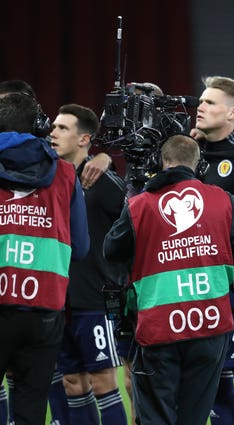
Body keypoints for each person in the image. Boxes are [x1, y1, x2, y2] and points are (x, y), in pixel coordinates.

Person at [103, 134, 234, 425]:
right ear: (198, 166)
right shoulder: (220, 199)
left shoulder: (140, 205)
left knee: (157, 418)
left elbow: (112, 249)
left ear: (162, 162)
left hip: (160, 326)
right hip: (210, 324)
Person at [0, 92, 89, 424]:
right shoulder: (66, 175)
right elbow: (79, 247)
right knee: (31, 410)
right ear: (37, 127)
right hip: (44, 310)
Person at [49, 104, 128, 425]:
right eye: (53, 126)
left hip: (96, 298)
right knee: (72, 382)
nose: (53, 133)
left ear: (84, 139)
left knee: (102, 381)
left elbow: (131, 231)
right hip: (59, 298)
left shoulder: (105, 184)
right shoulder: (49, 177)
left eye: (63, 128)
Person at [193, 75, 234, 425]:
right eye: (201, 101)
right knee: (211, 379)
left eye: (209, 103)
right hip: (192, 282)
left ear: (233, 112)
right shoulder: (188, 154)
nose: (199, 107)